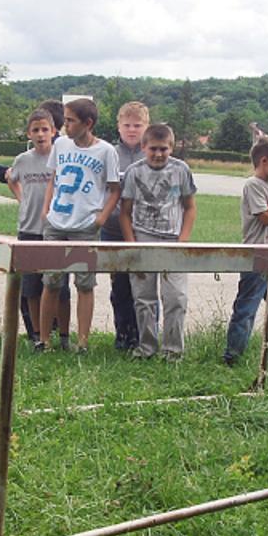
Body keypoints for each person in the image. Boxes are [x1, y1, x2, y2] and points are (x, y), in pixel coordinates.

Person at [39, 98, 121, 353]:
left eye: (71, 121)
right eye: (65, 119)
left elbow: (115, 189)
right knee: (51, 281)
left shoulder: (106, 151)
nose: (65, 126)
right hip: (57, 221)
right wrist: (46, 208)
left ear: (88, 123)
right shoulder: (60, 144)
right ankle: (44, 340)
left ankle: (83, 341)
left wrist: (101, 218)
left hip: (85, 224)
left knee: (85, 284)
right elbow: (53, 177)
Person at [119, 123, 197, 361]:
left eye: (163, 149)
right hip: (143, 236)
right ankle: (147, 347)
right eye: (153, 148)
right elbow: (125, 211)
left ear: (171, 148)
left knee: (176, 297)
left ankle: (173, 351)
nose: (158, 154)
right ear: (144, 147)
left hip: (173, 238)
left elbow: (190, 207)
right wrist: (132, 244)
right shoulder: (134, 172)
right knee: (144, 297)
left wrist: (182, 242)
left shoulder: (181, 170)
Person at [222, 138, 268, 366]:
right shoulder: (253, 185)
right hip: (257, 255)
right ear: (264, 161)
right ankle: (233, 355)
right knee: (247, 307)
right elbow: (266, 217)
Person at [7, 108, 70, 351]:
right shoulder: (23, 160)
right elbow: (12, 179)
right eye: (36, 130)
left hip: (56, 228)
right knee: (31, 287)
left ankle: (63, 334)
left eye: (45, 129)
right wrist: (22, 199)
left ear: (54, 132)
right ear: (29, 134)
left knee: (59, 286)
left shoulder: (61, 157)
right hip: (29, 228)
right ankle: (37, 335)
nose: (41, 134)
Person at [105, 101, 150, 350]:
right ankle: (123, 334)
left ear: (147, 126)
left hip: (145, 229)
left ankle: (146, 334)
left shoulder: (153, 154)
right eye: (127, 125)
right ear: (118, 127)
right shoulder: (109, 153)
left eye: (137, 125)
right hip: (113, 229)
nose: (132, 130)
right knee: (119, 286)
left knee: (144, 286)